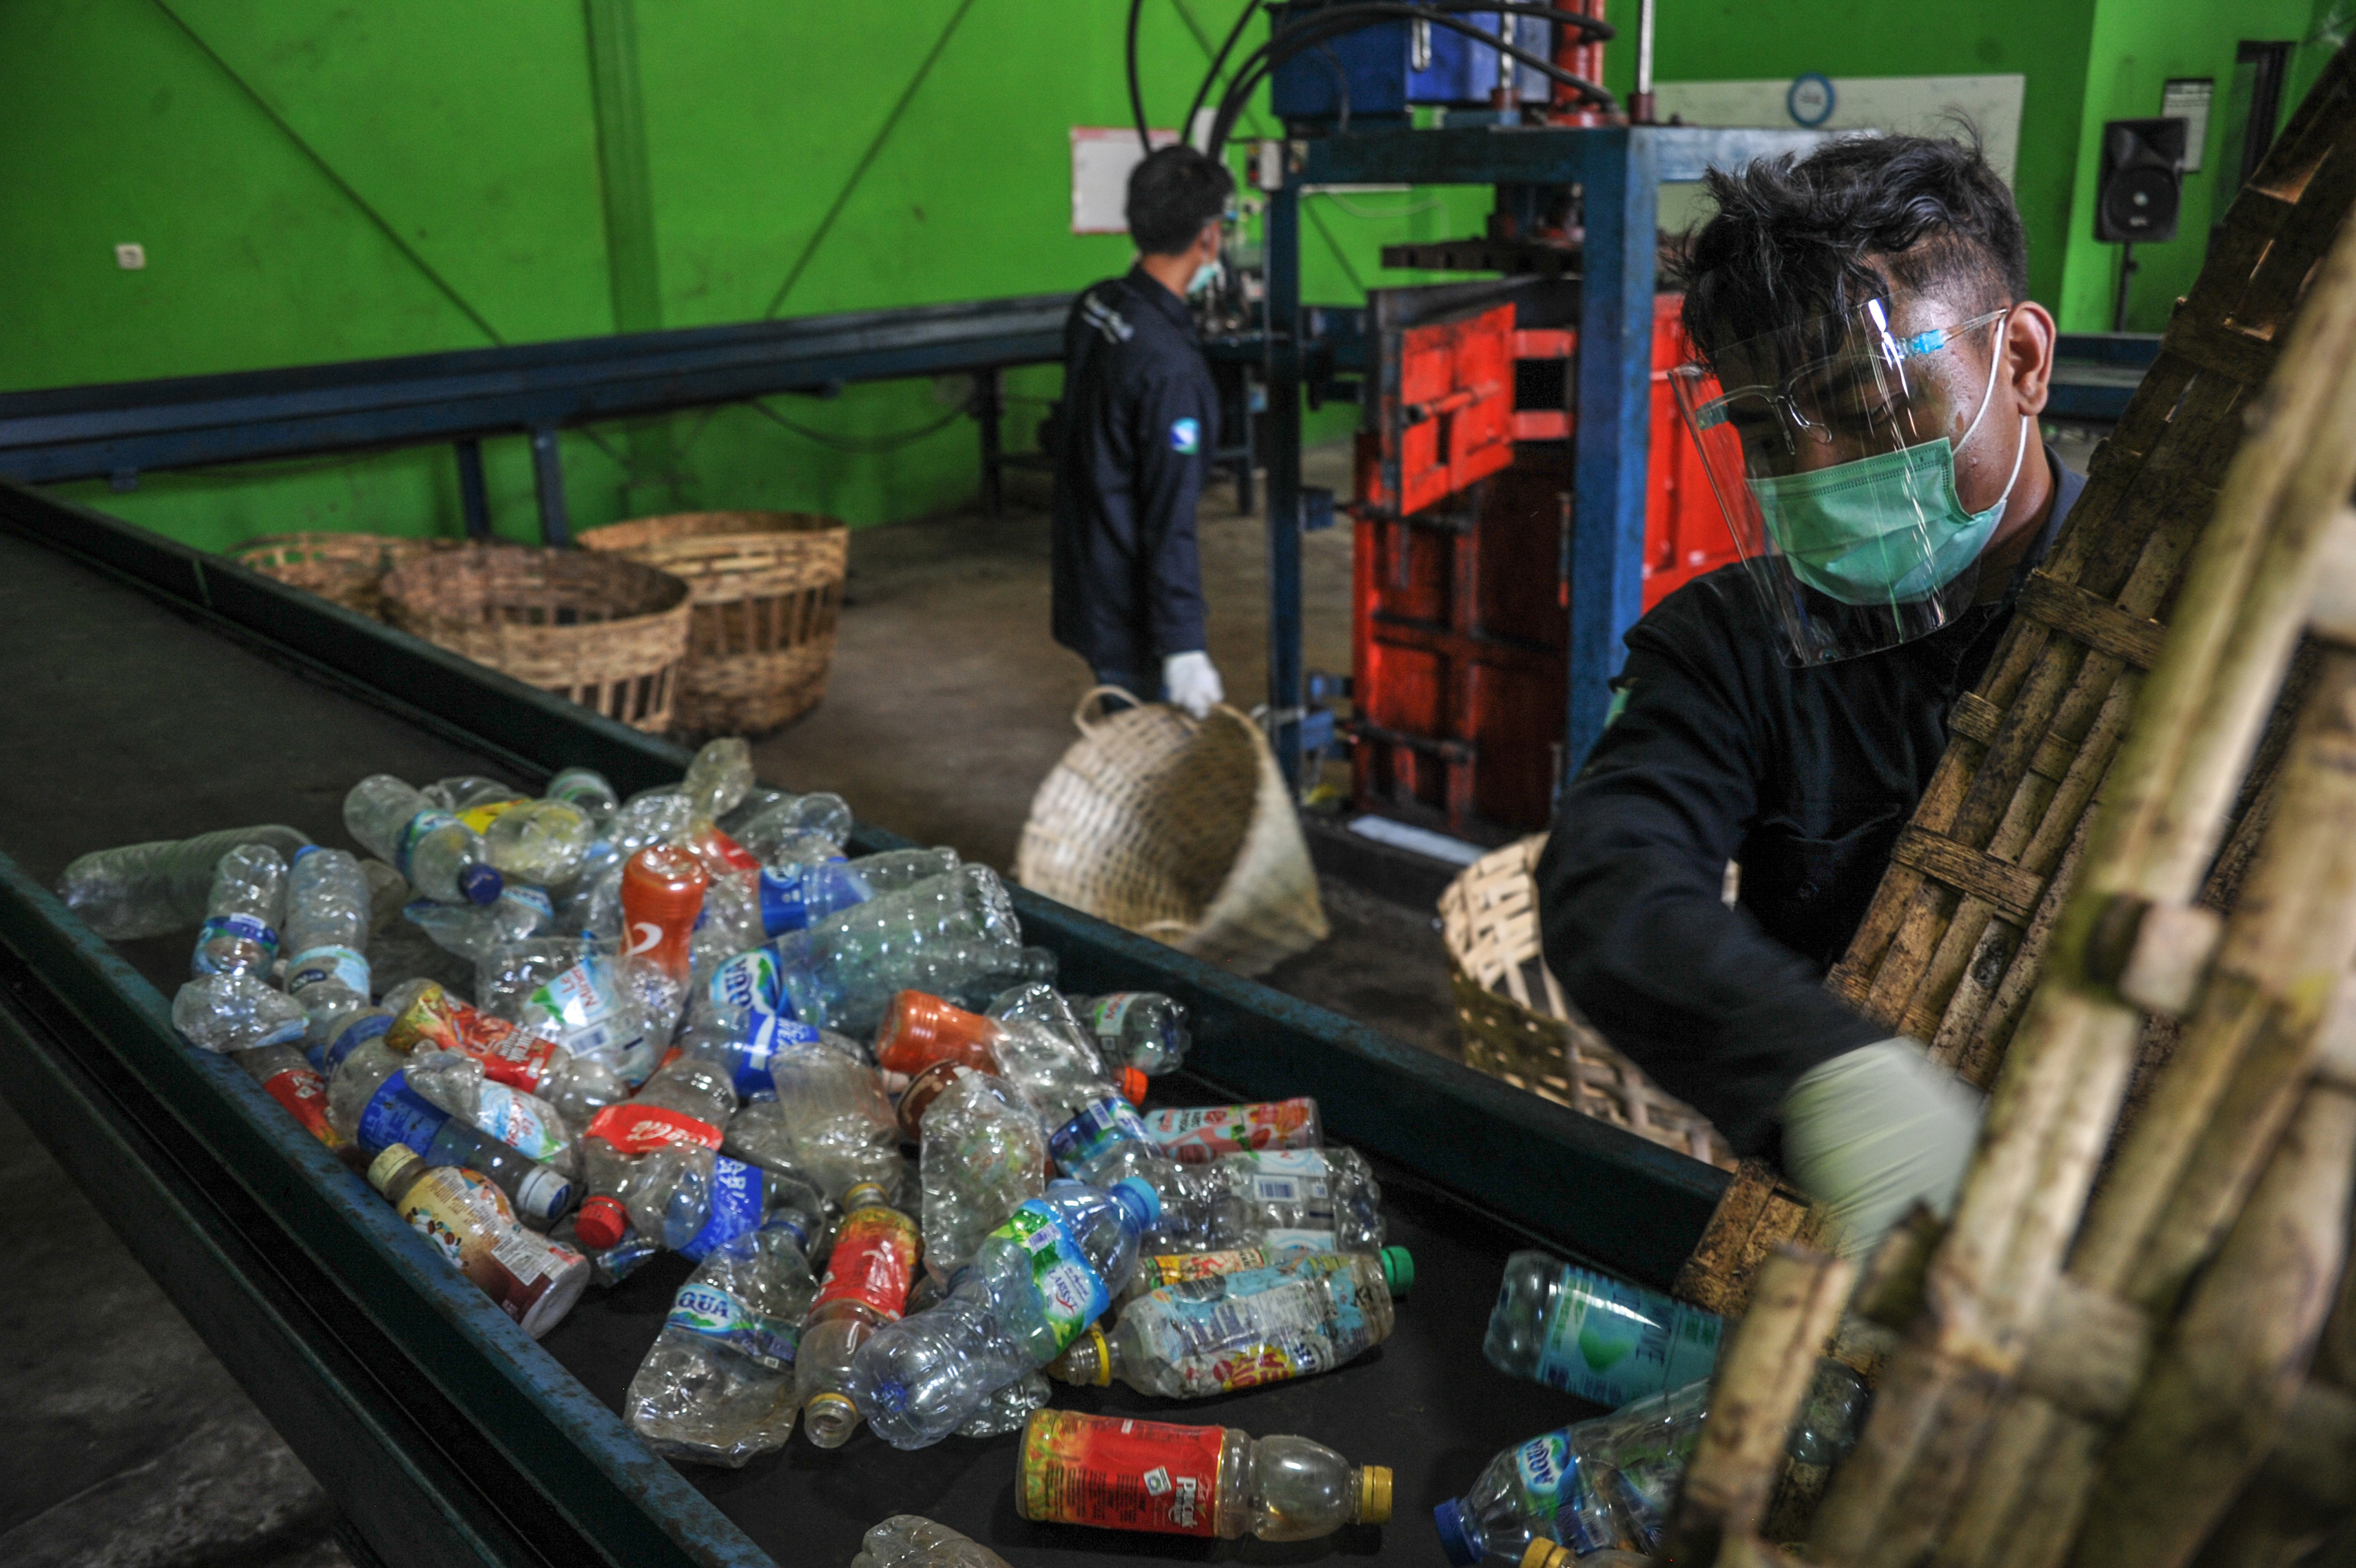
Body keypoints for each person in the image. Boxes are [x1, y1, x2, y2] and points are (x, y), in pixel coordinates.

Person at [1536, 136, 2086, 1257]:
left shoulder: (2167, 622)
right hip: (1862, 1244)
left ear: (2022, 360)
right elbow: (1612, 883)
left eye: (1868, 405)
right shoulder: (1732, 643)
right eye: (1766, 432)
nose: (1818, 469)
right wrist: (1836, 1087)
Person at [1050, 144, 1232, 720]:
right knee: (1153, 773)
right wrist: (1183, 644)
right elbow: (1168, 516)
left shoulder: (1096, 305)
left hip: (1086, 583)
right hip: (1133, 615)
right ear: (1208, 237)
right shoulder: (1169, 369)